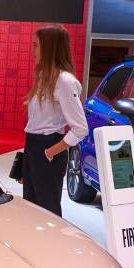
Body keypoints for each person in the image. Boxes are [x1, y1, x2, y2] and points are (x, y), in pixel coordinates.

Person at [22, 24, 89, 217]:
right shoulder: (44, 77)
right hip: (33, 146)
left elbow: (80, 128)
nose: (32, 50)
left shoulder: (66, 82)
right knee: (31, 209)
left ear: (49, 48)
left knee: (47, 211)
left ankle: (51, 247)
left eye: (36, 45)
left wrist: (50, 152)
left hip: (47, 147)